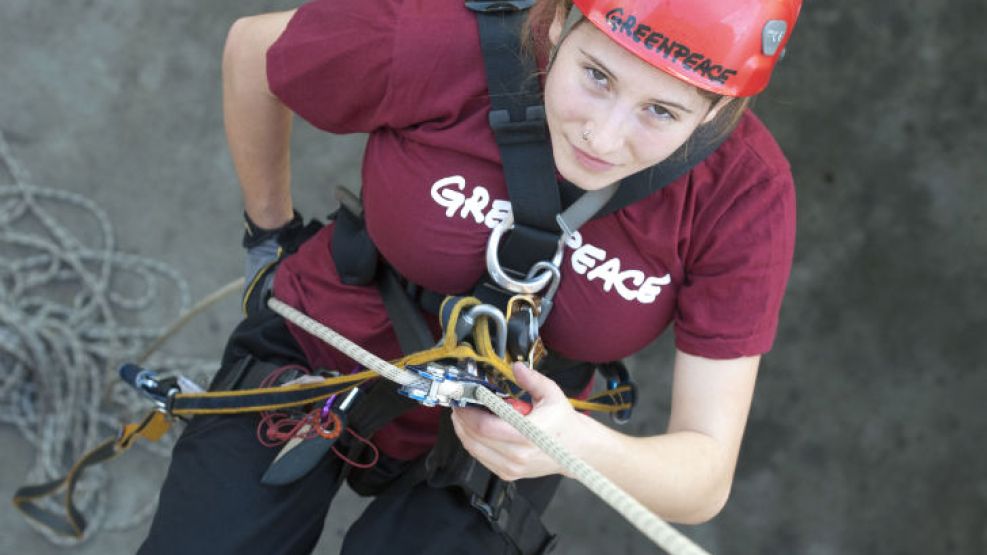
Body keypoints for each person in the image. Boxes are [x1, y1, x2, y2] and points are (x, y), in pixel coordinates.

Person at [139, 0, 801, 553]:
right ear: (557, 22)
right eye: (596, 76)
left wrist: (573, 446)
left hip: (513, 435)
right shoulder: (449, 41)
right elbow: (255, 53)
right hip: (329, 341)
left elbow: (702, 476)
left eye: (661, 112)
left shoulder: (741, 193)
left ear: (715, 112)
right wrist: (271, 233)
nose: (602, 137)